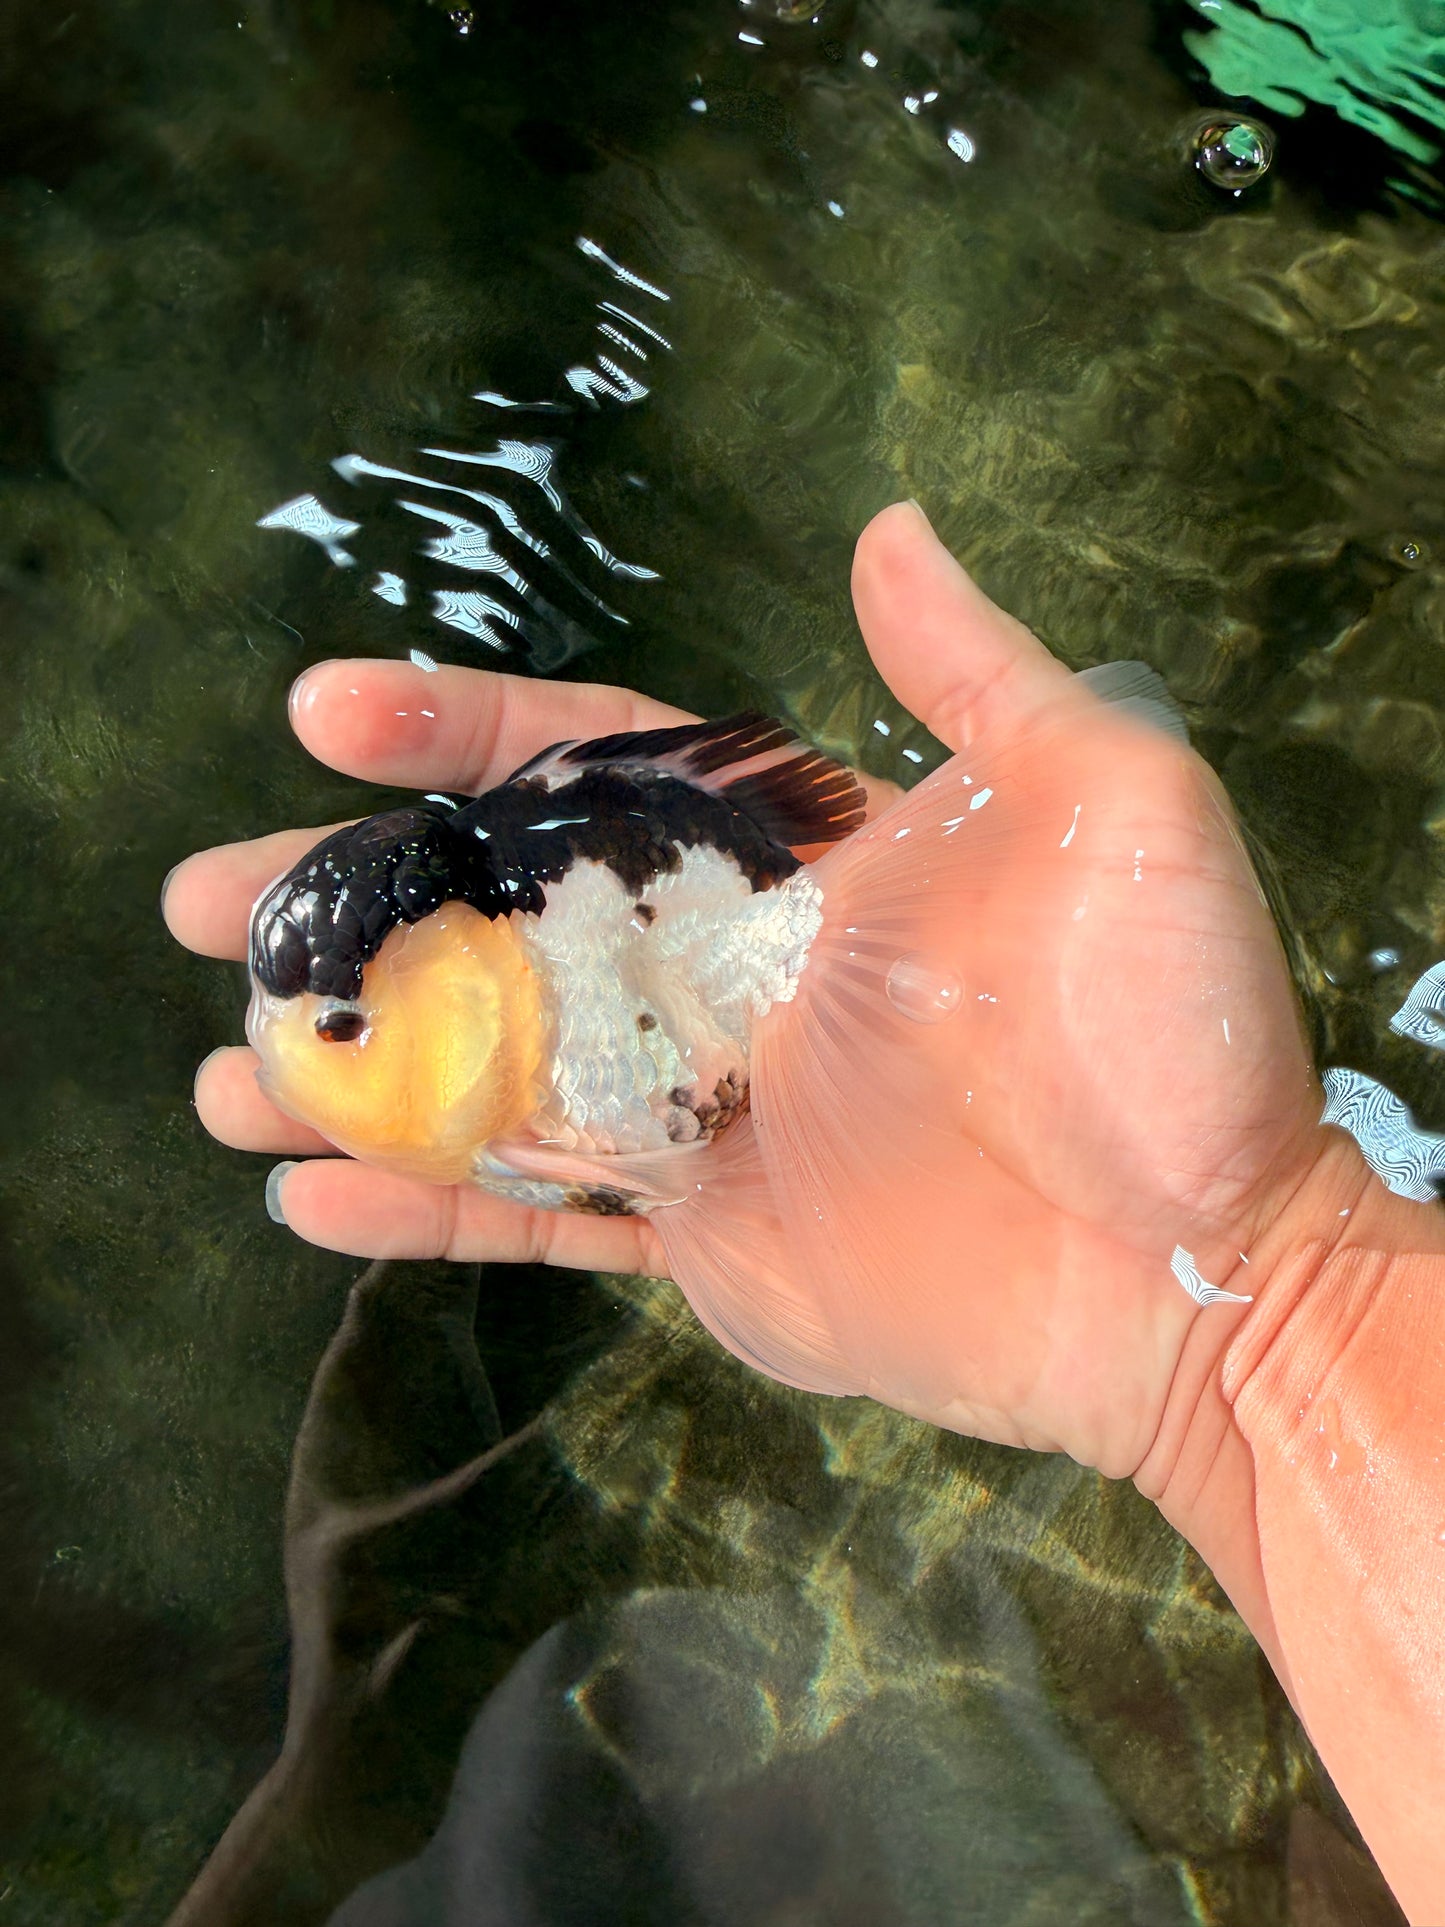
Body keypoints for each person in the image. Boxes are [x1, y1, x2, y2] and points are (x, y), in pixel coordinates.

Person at [164, 502, 1445, 1923]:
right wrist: (1262, 1304)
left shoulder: (556, 1003)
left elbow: (662, 1128)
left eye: (345, 1030)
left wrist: (1252, 1303)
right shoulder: (513, 1084)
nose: (305, 1066)